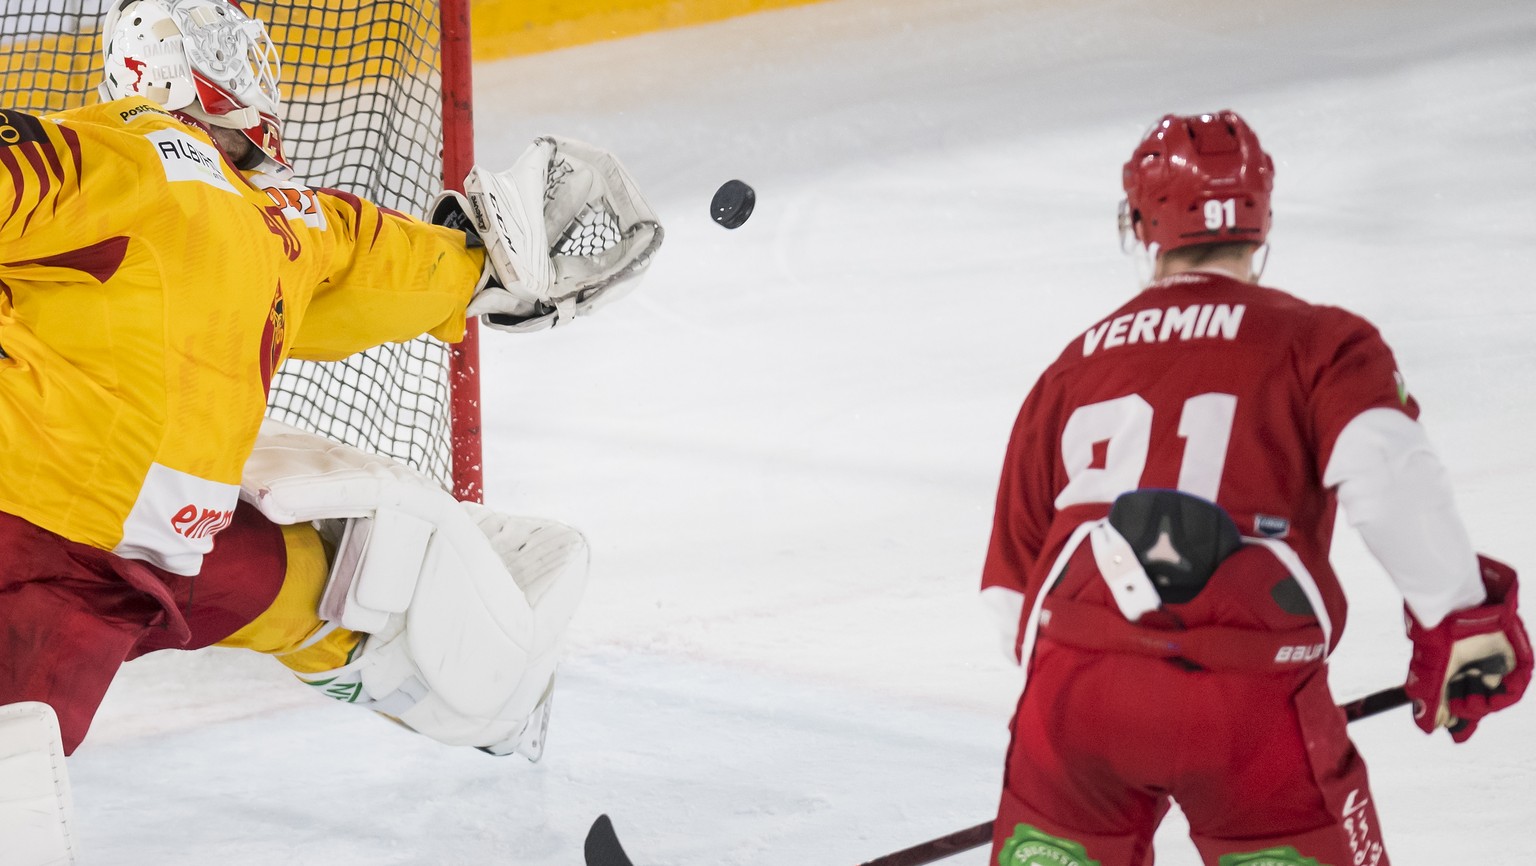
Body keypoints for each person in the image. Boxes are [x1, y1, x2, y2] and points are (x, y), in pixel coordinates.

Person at [0, 1, 662, 862]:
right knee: (17, 761)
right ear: (178, 69)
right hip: (33, 547)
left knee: (335, 585)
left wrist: (485, 261)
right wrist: (478, 271)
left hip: (157, 561)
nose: (257, 75)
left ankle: (496, 712)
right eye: (232, 55)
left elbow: (376, 264)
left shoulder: (277, 221)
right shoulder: (114, 156)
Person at [980, 110, 1531, 865]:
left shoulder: (1072, 366)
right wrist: (1460, 624)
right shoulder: (1322, 343)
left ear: (1140, 223)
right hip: (1247, 702)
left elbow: (1010, 604)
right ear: (1259, 219)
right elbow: (1390, 473)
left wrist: (1119, 698)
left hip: (1074, 695)